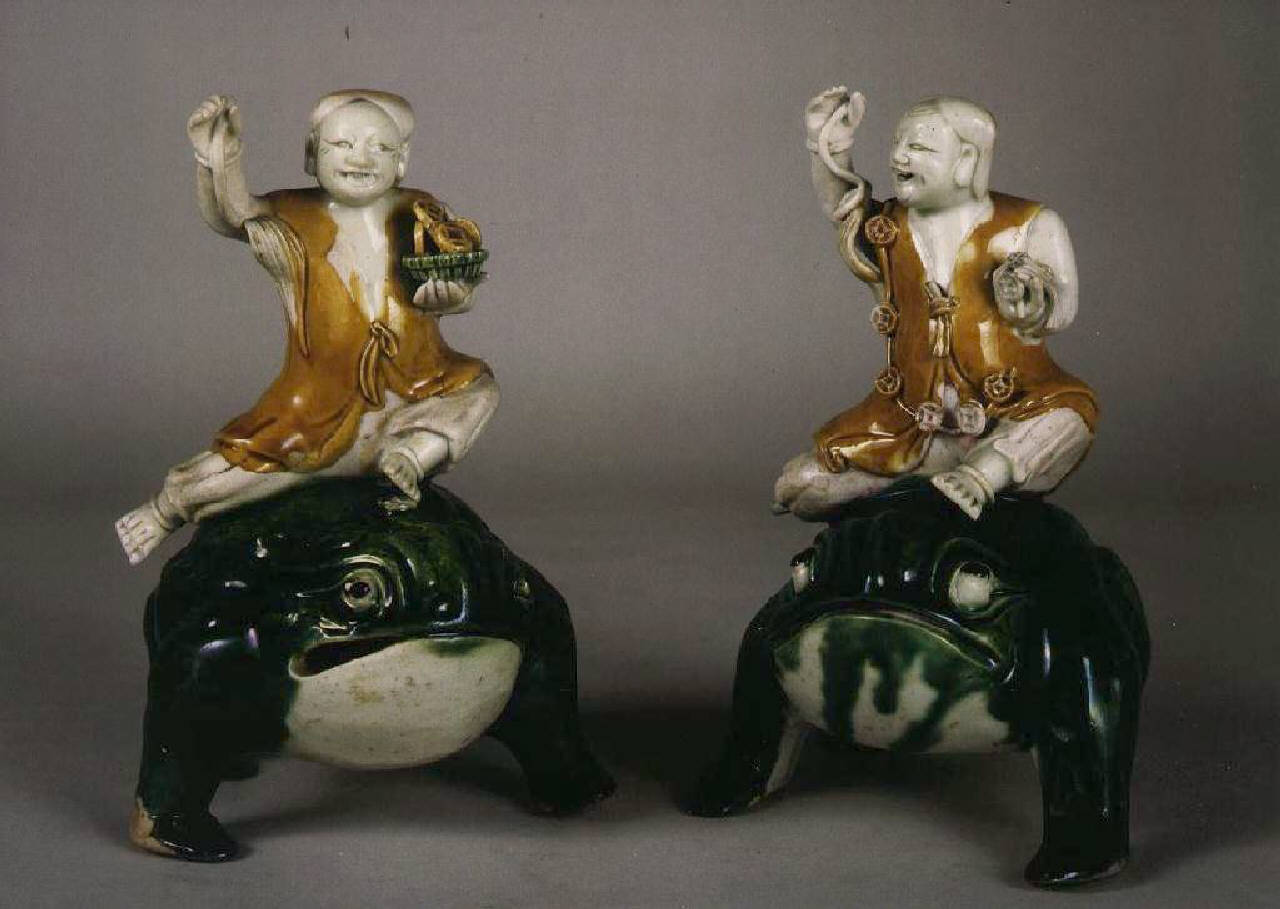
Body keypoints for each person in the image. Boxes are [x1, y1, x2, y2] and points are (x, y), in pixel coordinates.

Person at [116, 90, 497, 564]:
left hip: (415, 385)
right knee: (262, 467)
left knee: (479, 392)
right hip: (321, 399)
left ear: (402, 161)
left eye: (380, 148)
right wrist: (218, 157)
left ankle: (411, 455)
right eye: (343, 144)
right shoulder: (294, 214)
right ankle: (168, 508)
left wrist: (455, 298)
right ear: (312, 155)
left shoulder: (418, 211)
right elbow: (232, 215)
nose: (361, 158)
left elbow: (457, 276)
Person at [773, 89, 1096, 521]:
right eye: (897, 144)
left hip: (1009, 416)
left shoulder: (1029, 226)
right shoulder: (889, 229)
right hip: (913, 425)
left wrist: (1027, 301)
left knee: (1070, 417)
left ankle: (982, 477)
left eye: (919, 147)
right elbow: (842, 206)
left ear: (966, 161)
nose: (899, 156)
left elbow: (1059, 310)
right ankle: (930, 483)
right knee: (800, 487)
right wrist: (827, 141)